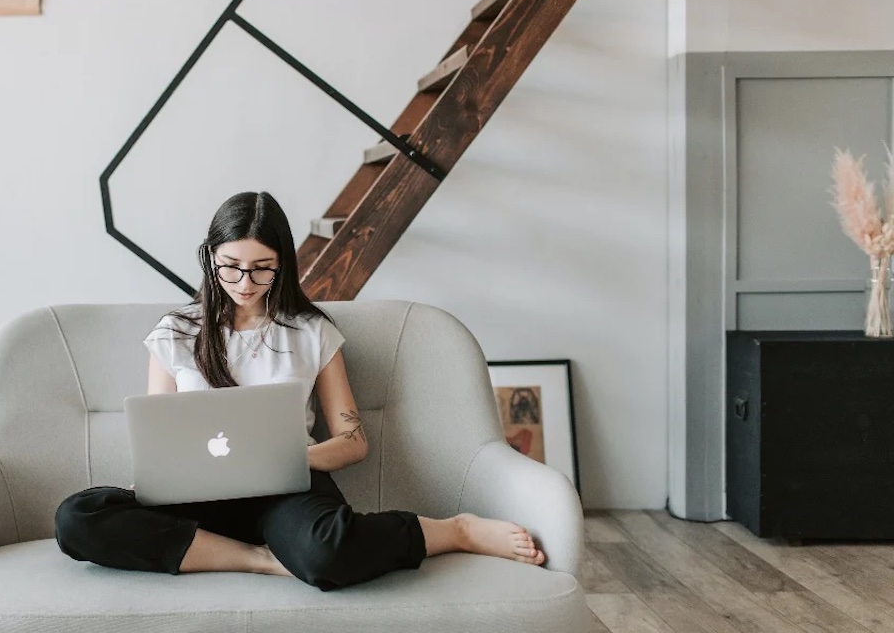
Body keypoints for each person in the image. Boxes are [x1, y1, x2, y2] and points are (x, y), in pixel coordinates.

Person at [54, 191, 546, 590]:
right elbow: (158, 435)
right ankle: (258, 561)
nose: (245, 282)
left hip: (288, 488)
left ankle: (454, 529)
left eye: (262, 267)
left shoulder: (312, 333)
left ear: (283, 264)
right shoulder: (175, 332)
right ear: (209, 258)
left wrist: (288, 459)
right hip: (195, 498)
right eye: (230, 266)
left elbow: (353, 441)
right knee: (78, 518)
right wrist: (162, 477)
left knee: (328, 552)